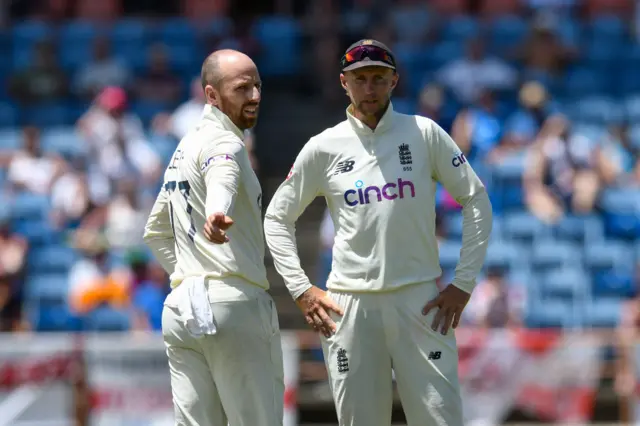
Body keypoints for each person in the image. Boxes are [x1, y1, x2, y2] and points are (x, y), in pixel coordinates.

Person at [264, 39, 493, 426]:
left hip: (420, 300)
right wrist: (302, 290)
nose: (369, 88)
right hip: (349, 305)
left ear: (393, 82)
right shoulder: (324, 146)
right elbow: (276, 218)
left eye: (378, 78)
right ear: (343, 83)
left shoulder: (424, 133)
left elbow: (476, 200)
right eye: (360, 79)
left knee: (442, 418)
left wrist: (464, 283)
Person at [143, 49, 284, 426]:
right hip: (233, 305)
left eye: (257, 86)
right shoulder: (227, 142)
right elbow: (223, 174)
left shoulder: (183, 147)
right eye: (242, 88)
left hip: (181, 309)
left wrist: (192, 274)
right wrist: (217, 213)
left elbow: (155, 231)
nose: (254, 96)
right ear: (212, 96)